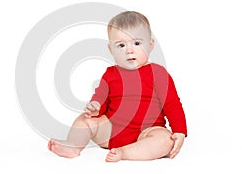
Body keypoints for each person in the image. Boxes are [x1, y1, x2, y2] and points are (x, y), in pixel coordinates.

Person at [48, 11, 187, 162]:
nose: (129, 50)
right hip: (111, 132)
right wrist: (95, 107)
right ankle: (74, 145)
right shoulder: (110, 74)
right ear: (110, 49)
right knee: (84, 120)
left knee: (165, 140)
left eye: (137, 43)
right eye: (121, 45)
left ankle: (125, 153)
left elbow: (172, 104)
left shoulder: (158, 73)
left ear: (150, 45)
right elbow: (101, 98)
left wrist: (179, 130)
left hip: (146, 132)